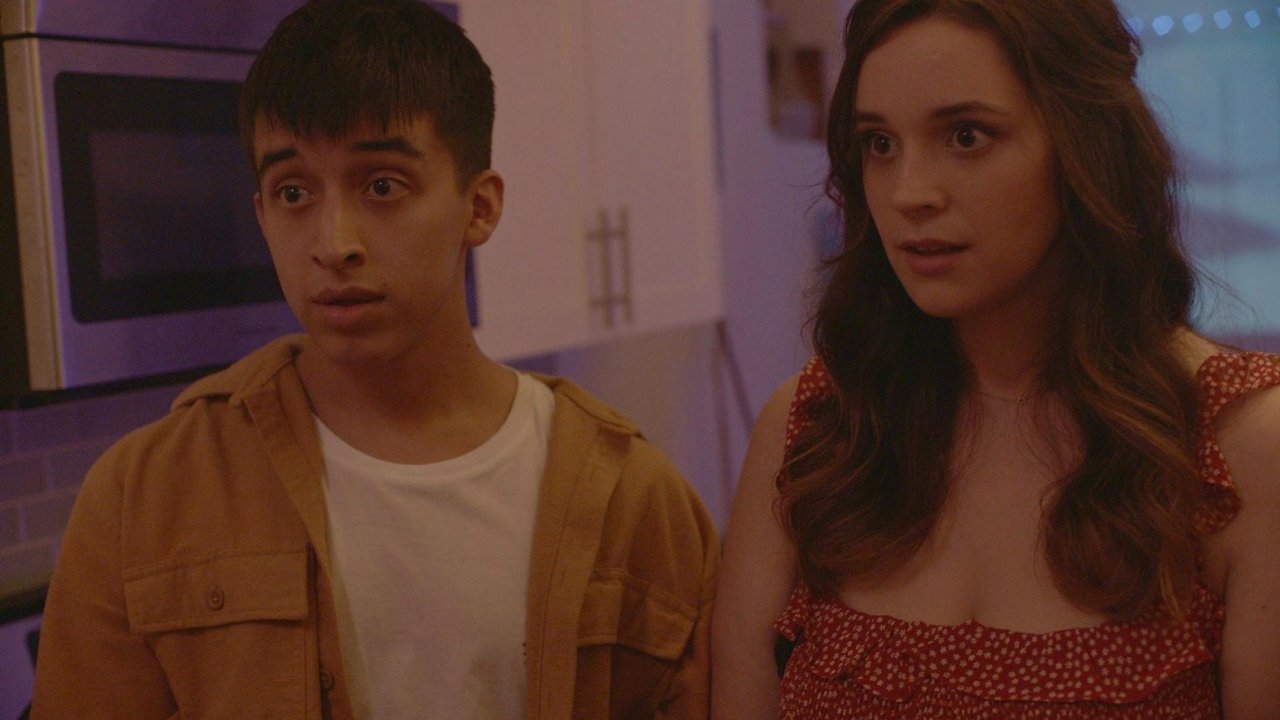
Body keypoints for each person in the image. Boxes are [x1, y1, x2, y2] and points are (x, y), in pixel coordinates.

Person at [31, 1, 717, 718]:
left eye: (382, 185)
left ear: (479, 207)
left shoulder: (634, 501)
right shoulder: (147, 494)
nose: (334, 243)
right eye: (294, 193)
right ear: (262, 216)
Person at [712, 0, 1280, 717]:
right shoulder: (817, 430)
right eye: (880, 144)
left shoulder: (1241, 445)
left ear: (1086, 147)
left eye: (967, 136)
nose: (910, 193)